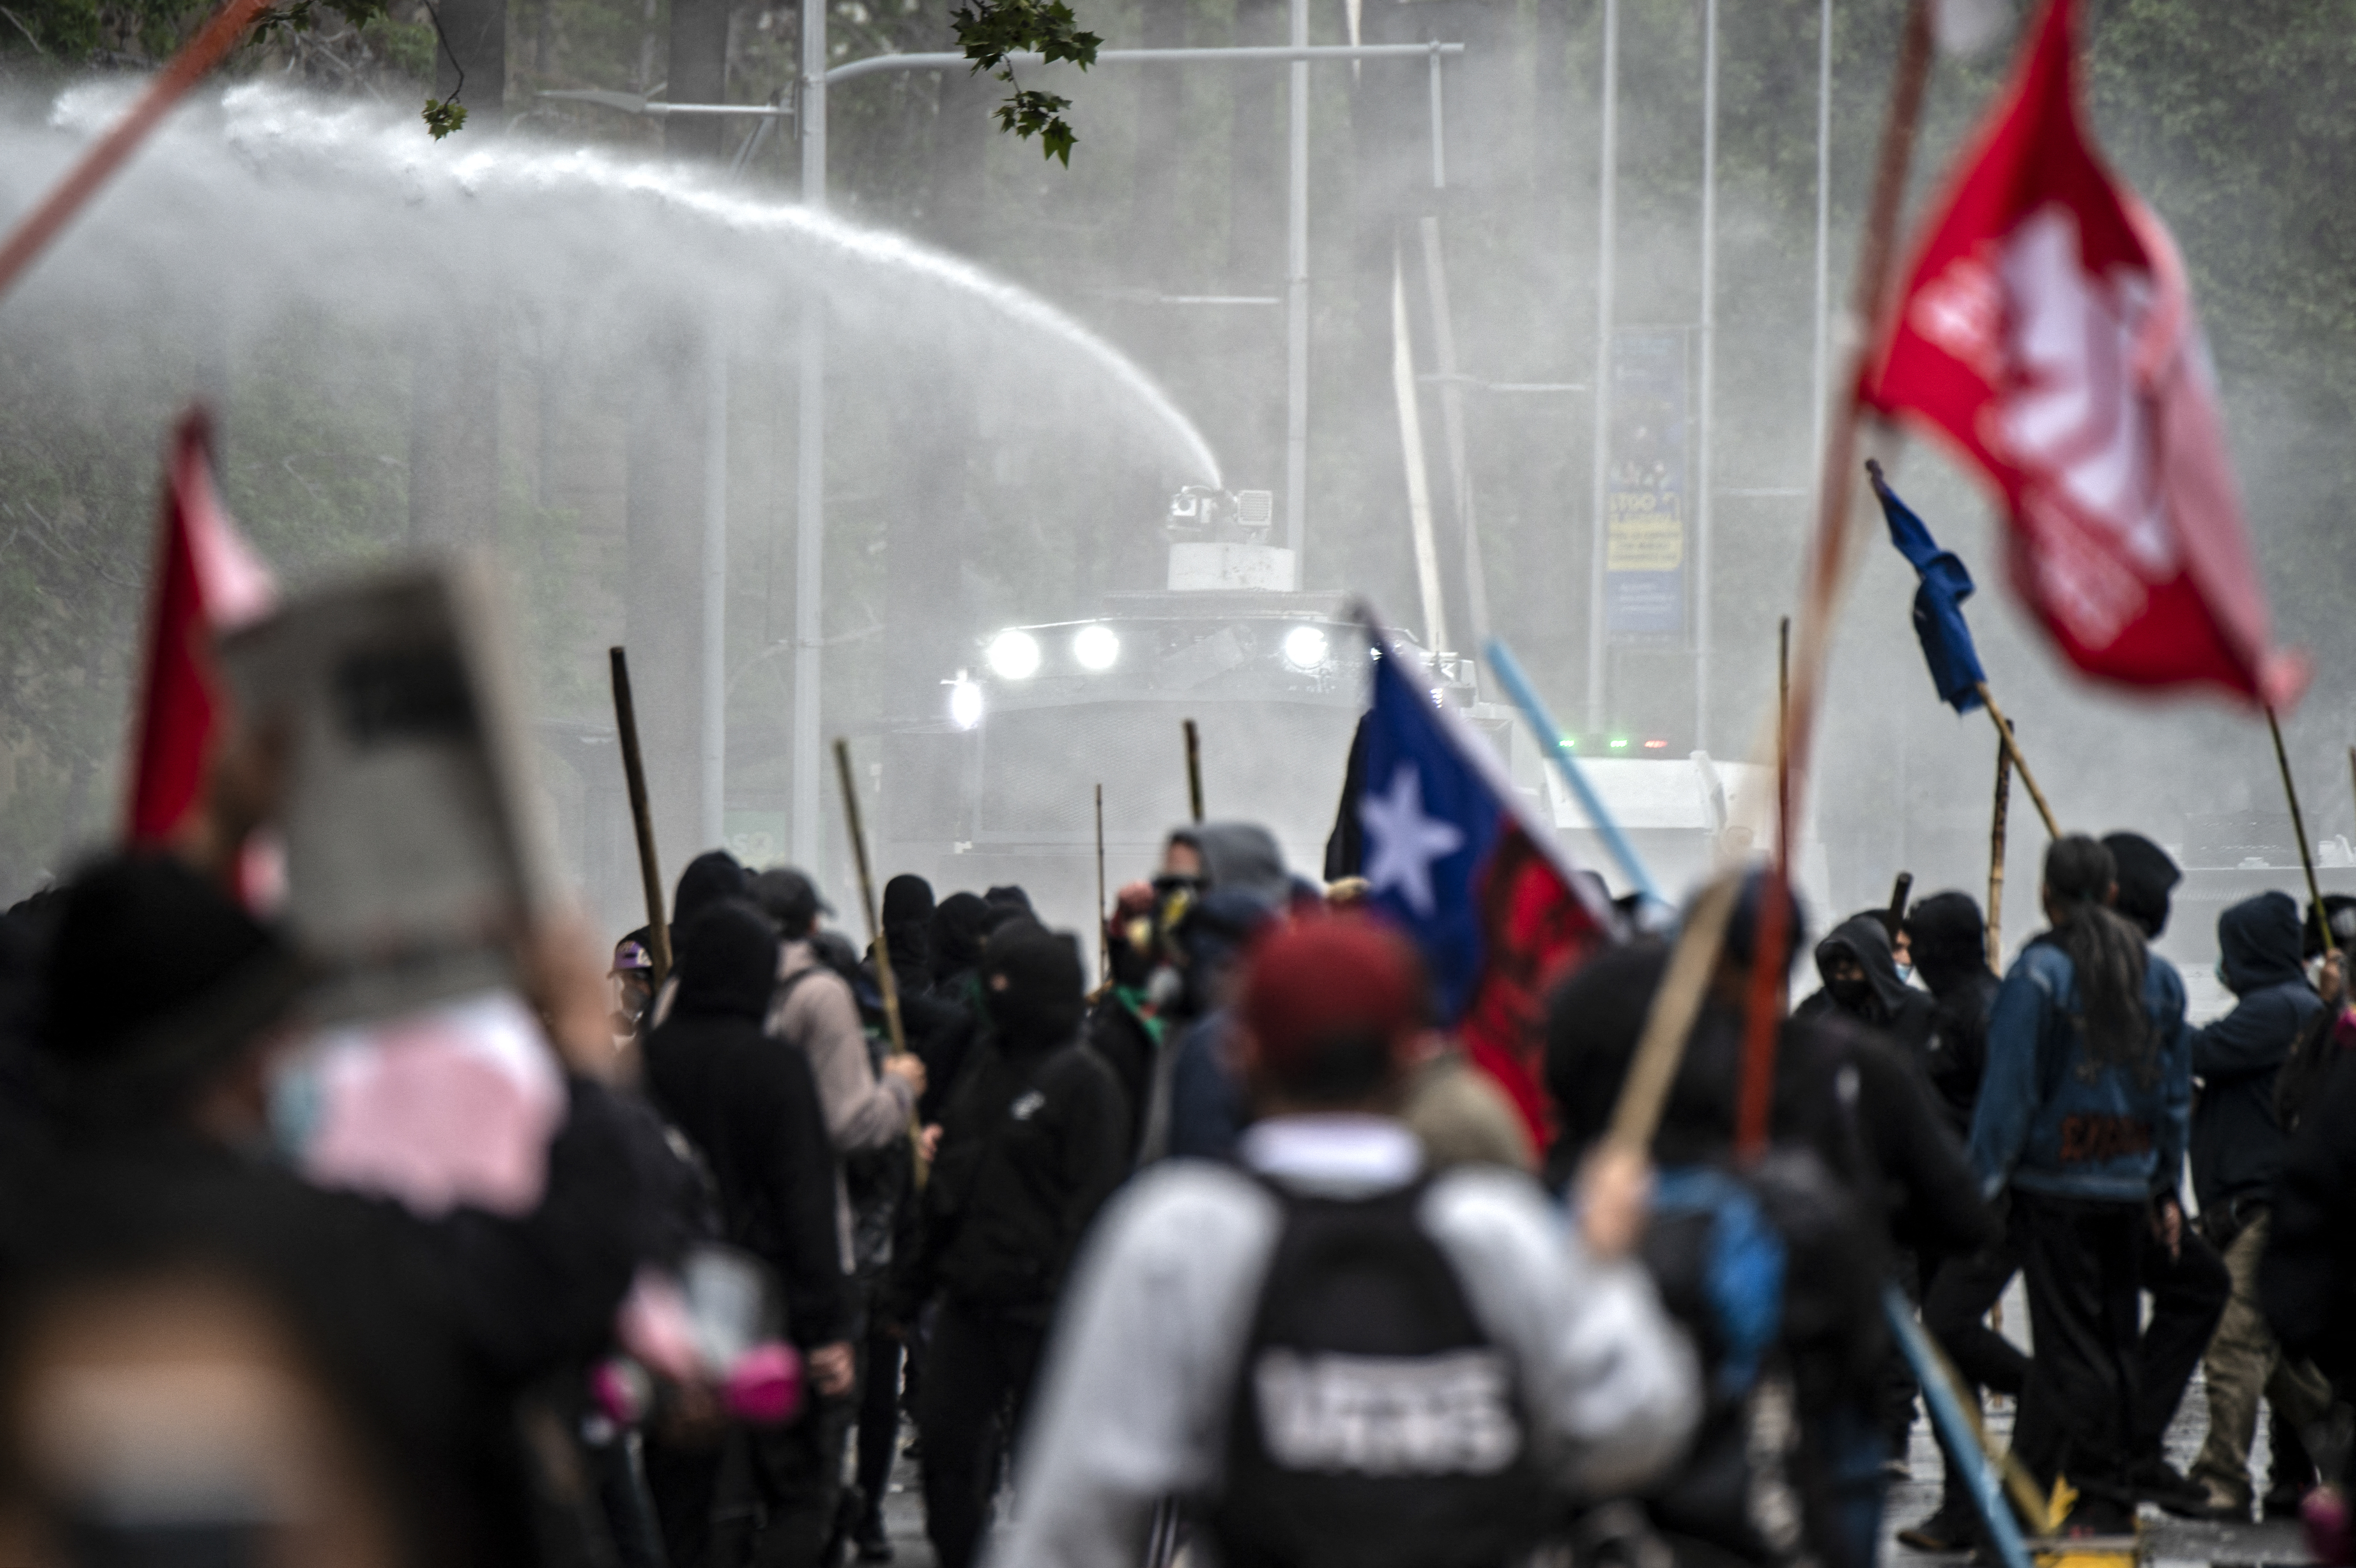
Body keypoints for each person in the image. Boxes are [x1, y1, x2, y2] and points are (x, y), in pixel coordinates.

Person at [993, 915, 1699, 1568]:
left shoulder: (1183, 1236)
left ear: (1241, 1050)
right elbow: (1636, 1423)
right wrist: (1604, 1264)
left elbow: (1075, 1522)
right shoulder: (1494, 1229)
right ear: (1408, 1053)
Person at [1969, 836, 2193, 1535]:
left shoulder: (2038, 973)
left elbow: (2007, 1097)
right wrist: (2163, 1187)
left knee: (2068, 1346)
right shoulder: (2158, 978)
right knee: (2117, 1333)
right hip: (2127, 1184)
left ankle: (2093, 1485)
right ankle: (2109, 1485)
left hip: (2054, 1184)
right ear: (2113, 893)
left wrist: (1978, 1188)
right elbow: (2174, 1099)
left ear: (2046, 894)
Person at [887, 924, 1128, 1568]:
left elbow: (1094, 1204)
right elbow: (946, 1192)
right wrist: (905, 1288)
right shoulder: (986, 1070)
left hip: (1045, 1308)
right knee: (947, 1452)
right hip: (972, 1301)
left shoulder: (1085, 1082)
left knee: (1047, 1460)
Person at [642, 899, 856, 1568]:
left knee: (679, 1495)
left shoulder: (643, 1062)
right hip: (768, 1308)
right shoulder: (773, 1067)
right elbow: (806, 1197)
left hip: (665, 1311)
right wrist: (827, 1325)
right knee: (793, 1489)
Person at [745, 865, 925, 1565]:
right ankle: (852, 1512)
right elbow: (861, 1132)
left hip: (776, 1239)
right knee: (852, 1396)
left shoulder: (731, 999)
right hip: (850, 1249)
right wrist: (900, 1092)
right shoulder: (852, 1029)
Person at [2187, 890, 2336, 1519]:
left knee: (2231, 1341)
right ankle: (2344, 1445)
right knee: (2276, 1363)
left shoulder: (2279, 1008)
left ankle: (2220, 1478)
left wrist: (2138, 1002)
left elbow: (2196, 1051)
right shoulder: (2287, 1007)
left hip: (2264, 1207)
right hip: (2251, 1205)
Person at [1795, 910, 1938, 1060]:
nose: (1841, 978)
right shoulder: (1826, 1022)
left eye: (1849, 969)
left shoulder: (1923, 1009)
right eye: (1836, 971)